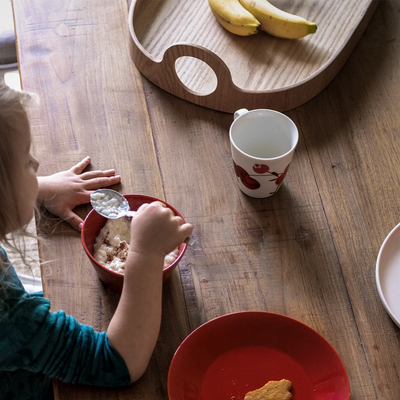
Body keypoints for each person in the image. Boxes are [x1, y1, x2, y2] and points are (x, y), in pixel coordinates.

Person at [0, 81, 193, 399]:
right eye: (24, 162)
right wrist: (146, 252)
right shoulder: (7, 317)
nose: (36, 164)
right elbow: (118, 362)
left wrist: (38, 187)